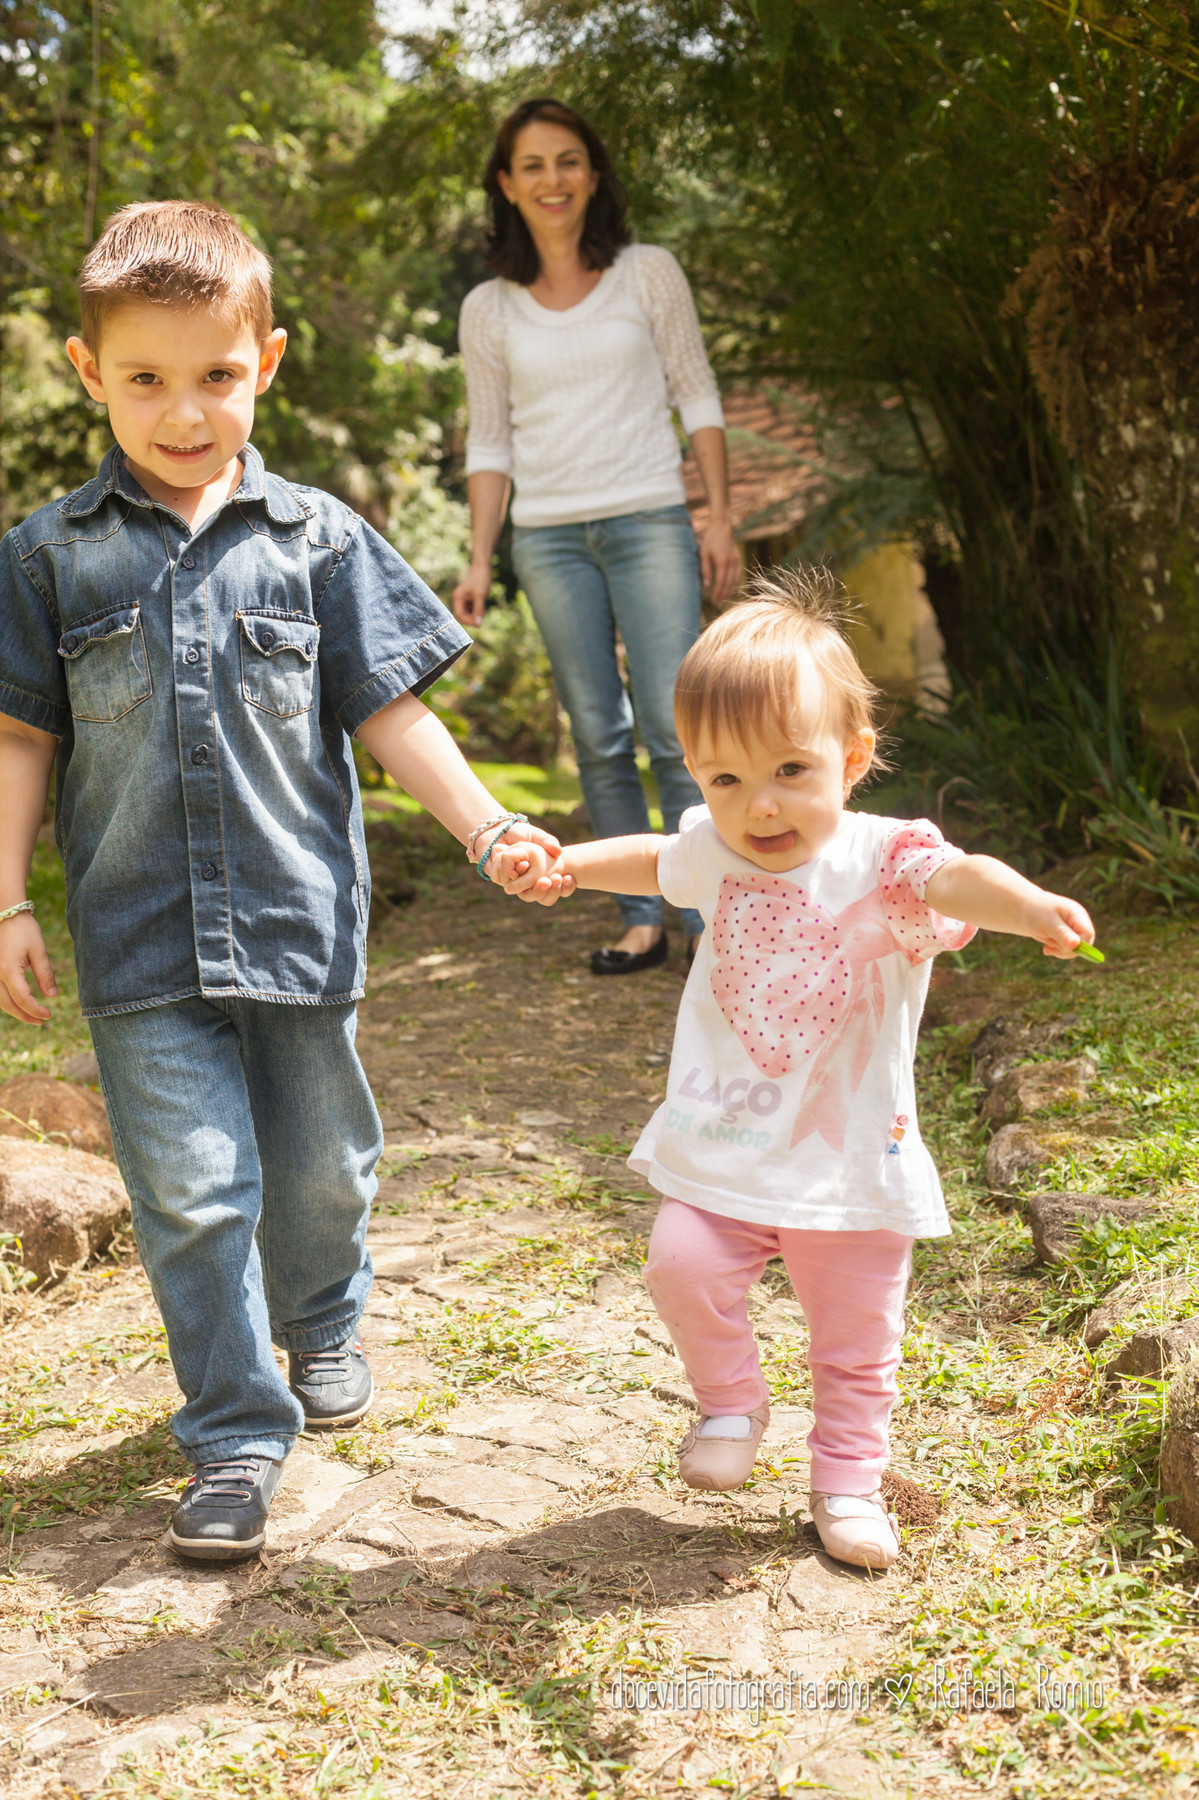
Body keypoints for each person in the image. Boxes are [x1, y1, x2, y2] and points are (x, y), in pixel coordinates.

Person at [0, 201, 555, 1562]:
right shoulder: (48, 558)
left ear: (268, 362)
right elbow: (19, 736)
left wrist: (488, 829)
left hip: (299, 926)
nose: (182, 411)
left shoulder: (319, 542)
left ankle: (322, 1319)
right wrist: (6, 898)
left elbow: (392, 713)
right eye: (145, 379)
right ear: (90, 372)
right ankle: (236, 1434)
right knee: (192, 1190)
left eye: (215, 376)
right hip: (136, 942)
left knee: (319, 1174)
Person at [485, 567, 1097, 1570]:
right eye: (723, 780)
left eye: (789, 773)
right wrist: (570, 864)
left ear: (849, 760)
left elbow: (958, 879)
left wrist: (1024, 904)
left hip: (850, 1164)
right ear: (694, 772)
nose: (757, 807)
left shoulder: (884, 857)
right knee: (678, 1264)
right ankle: (731, 1404)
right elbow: (655, 859)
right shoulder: (715, 849)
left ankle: (848, 1481)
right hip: (728, 1138)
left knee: (855, 1339)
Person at [452, 96, 742, 976]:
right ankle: (641, 918)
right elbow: (490, 438)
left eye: (568, 160)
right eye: (532, 165)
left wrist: (717, 513)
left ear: (594, 175)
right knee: (597, 730)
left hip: (649, 516)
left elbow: (695, 390)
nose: (552, 179)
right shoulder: (488, 307)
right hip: (546, 537)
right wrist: (477, 557)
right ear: (506, 184)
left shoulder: (648, 272)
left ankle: (717, 915)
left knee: (675, 723)